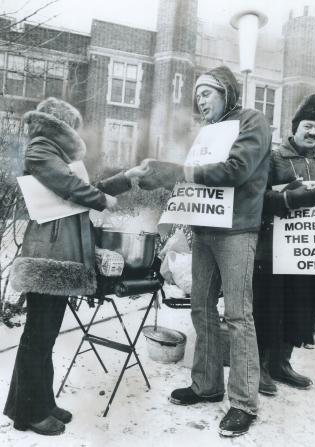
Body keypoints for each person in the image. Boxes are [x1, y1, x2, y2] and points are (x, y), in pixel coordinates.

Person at [139, 65, 272, 437]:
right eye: (197, 94)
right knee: (201, 307)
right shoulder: (208, 132)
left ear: (227, 92)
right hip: (205, 228)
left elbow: (236, 169)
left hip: (237, 231)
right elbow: (193, 176)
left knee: (238, 315)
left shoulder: (253, 121)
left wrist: (178, 171)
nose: (199, 99)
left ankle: (244, 403)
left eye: (207, 92)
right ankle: (207, 384)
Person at [3, 97, 144, 436]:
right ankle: (30, 413)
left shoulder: (55, 155)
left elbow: (81, 188)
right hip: (49, 257)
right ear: (62, 126)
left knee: (44, 335)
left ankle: (36, 403)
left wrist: (127, 177)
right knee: (39, 335)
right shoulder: (40, 150)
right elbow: (72, 188)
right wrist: (101, 200)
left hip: (59, 255)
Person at [253, 93, 315, 396]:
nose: (313, 133)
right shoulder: (274, 157)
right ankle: (258, 366)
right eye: (308, 126)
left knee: (300, 306)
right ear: (294, 127)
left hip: (307, 252)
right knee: (269, 307)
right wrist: (288, 199)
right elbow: (257, 199)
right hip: (273, 248)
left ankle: (281, 363)